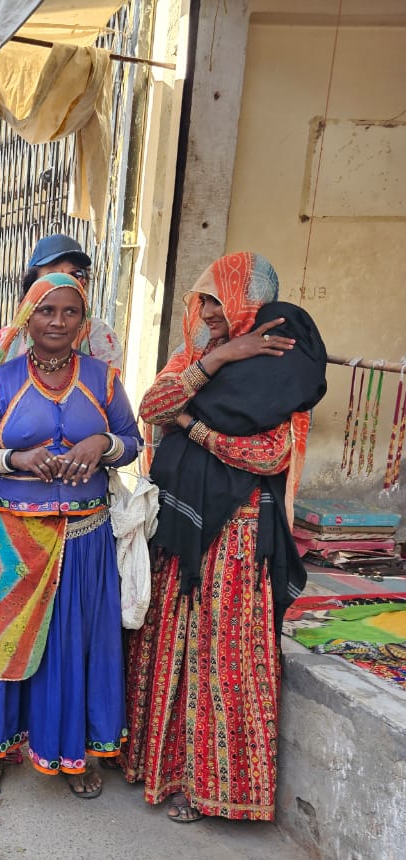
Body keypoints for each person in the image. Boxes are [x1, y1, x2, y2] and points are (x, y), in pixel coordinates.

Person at [123, 252, 324, 823]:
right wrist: (218, 359)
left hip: (236, 538)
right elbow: (153, 407)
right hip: (182, 529)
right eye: (203, 300)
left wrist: (193, 425)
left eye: (217, 300)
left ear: (247, 303)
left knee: (221, 659)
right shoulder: (196, 355)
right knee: (171, 647)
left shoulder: (281, 366)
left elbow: (268, 453)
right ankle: (161, 768)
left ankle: (212, 788)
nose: (207, 311)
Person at [0, 273, 141, 803]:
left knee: (74, 646)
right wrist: (14, 459)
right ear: (28, 318)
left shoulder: (104, 380)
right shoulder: (0, 381)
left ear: (83, 322)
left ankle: (72, 750)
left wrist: (101, 443)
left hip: (84, 537)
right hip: (11, 540)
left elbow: (132, 441)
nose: (58, 322)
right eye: (46, 311)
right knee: (4, 640)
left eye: (69, 312)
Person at [0, 233, 122, 369]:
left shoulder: (100, 336)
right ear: (32, 286)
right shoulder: (6, 340)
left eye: (74, 275)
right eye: (54, 276)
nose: (65, 283)